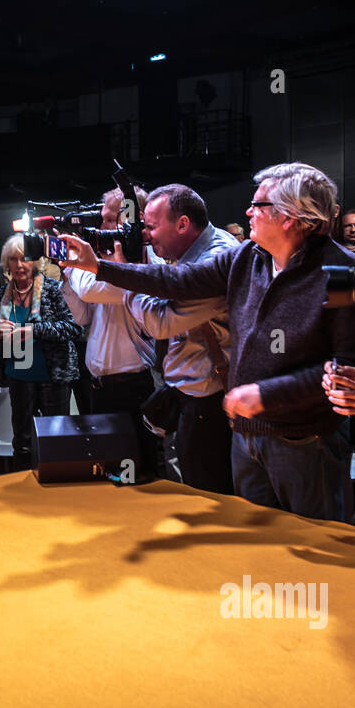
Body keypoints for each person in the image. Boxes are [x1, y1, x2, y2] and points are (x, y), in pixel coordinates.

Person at [64, 162, 355, 522]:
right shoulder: (248, 257)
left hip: (305, 442)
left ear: (291, 216)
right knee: (252, 545)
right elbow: (176, 282)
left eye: (259, 205)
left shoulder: (349, 273)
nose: (248, 211)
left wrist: (265, 394)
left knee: (315, 551)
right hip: (247, 436)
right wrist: (99, 267)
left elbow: (352, 370)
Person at [121, 184, 239, 493]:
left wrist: (124, 276)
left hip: (209, 402)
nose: (146, 235)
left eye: (151, 226)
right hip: (195, 396)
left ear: (183, 224)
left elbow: (161, 321)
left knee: (209, 496)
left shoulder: (213, 259)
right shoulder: (193, 253)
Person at [61, 185, 166, 480]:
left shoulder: (142, 263)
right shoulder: (106, 264)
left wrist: (74, 265)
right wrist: (68, 277)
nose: (104, 227)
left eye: (111, 220)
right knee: (109, 474)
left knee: (138, 476)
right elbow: (82, 315)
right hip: (100, 387)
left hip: (132, 389)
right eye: (103, 219)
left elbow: (93, 291)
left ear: (137, 219)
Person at [0, 235, 83, 469]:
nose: (19, 265)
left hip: (53, 375)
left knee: (56, 442)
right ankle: (24, 494)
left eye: (25, 259)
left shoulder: (53, 289)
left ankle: (57, 493)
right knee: (22, 442)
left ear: (36, 262)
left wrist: (33, 330)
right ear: (6, 263)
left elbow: (73, 327)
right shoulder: (0, 295)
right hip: (19, 376)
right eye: (13, 259)